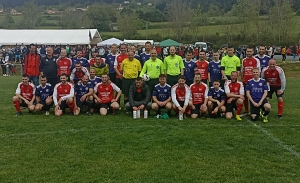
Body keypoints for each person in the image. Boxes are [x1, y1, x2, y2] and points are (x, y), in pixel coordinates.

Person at [241, 47, 260, 115]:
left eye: (250, 51)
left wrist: (257, 80)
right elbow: (242, 71)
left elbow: (258, 71)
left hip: (253, 82)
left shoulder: (256, 60)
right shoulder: (243, 60)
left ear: (253, 52)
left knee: (254, 96)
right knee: (245, 97)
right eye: (247, 51)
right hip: (246, 81)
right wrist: (242, 80)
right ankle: (246, 110)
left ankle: (255, 109)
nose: (249, 53)